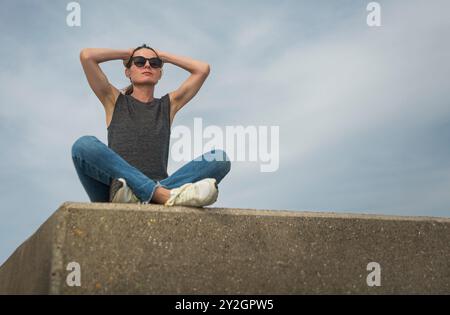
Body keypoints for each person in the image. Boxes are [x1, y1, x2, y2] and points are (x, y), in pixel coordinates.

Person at [71, 44, 231, 207]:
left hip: (160, 183)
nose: (147, 65)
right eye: (139, 62)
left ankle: (152, 194)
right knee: (83, 145)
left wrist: (163, 55)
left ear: (160, 73)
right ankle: (160, 195)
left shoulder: (168, 105)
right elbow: (87, 56)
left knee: (220, 159)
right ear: (128, 72)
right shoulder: (114, 100)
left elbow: (202, 69)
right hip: (116, 190)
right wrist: (128, 53)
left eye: (155, 63)